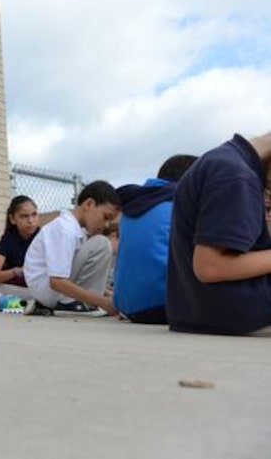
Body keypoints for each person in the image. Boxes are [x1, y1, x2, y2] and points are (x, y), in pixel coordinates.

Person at [167, 132, 271, 335]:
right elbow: (209, 266)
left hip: (195, 312)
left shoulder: (222, 160)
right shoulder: (237, 176)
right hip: (239, 315)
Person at [112, 154, 197, 324]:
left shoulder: (133, 206)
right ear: (191, 179)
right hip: (166, 306)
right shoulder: (180, 204)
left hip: (128, 306)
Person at [23, 181, 120, 315]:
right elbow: (56, 282)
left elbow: (82, 274)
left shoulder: (75, 230)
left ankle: (80, 303)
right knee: (101, 244)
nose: (106, 224)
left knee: (99, 243)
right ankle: (71, 304)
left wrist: (110, 296)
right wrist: (102, 302)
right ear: (89, 204)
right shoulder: (65, 229)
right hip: (50, 290)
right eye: (106, 217)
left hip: (49, 290)